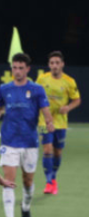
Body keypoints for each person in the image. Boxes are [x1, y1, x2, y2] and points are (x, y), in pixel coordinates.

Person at [0, 53, 55, 217]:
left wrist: (50, 122)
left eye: (21, 68)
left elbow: (45, 110)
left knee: (27, 181)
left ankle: (25, 207)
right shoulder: (4, 88)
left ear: (28, 69)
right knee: (8, 181)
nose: (17, 71)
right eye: (14, 67)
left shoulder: (37, 89)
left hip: (29, 142)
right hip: (9, 141)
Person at [36, 51, 81, 195]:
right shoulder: (42, 79)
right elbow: (35, 94)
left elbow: (77, 100)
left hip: (61, 122)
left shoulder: (69, 81)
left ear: (62, 64)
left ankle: (53, 178)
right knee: (47, 150)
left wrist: (68, 107)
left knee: (57, 152)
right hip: (44, 120)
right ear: (49, 65)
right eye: (52, 63)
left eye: (57, 63)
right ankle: (48, 182)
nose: (54, 66)